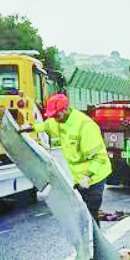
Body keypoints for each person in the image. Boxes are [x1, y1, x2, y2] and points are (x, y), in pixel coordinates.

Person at [30, 93, 112, 223]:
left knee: (90, 213)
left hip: (95, 176)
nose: (55, 119)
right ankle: (88, 241)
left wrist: (87, 177)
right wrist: (30, 128)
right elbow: (46, 125)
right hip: (79, 178)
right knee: (80, 214)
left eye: (57, 115)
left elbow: (99, 157)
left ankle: (95, 242)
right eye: (53, 116)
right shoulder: (60, 121)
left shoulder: (85, 127)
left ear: (65, 109)